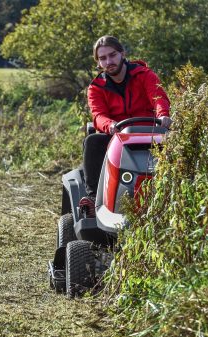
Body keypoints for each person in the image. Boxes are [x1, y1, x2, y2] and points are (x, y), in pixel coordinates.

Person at [79, 35, 172, 217]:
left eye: (112, 55)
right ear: (98, 63)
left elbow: (159, 98)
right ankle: (93, 200)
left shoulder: (144, 75)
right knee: (93, 141)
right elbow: (98, 115)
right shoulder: (96, 87)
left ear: (122, 54)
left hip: (150, 132)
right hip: (117, 135)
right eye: (103, 58)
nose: (109, 61)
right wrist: (109, 125)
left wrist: (163, 115)